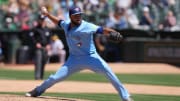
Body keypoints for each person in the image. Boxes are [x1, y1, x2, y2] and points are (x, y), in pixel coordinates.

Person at [25, 6, 133, 101]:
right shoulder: (66, 25)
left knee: (109, 72)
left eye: (80, 15)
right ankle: (37, 91)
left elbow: (102, 30)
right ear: (71, 16)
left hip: (91, 57)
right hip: (74, 59)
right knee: (55, 78)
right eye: (76, 15)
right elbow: (58, 21)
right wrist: (48, 14)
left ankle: (125, 97)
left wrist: (113, 32)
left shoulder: (87, 26)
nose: (78, 17)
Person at [31, 15, 52, 80]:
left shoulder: (47, 29)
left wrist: (49, 44)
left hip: (45, 48)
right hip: (38, 48)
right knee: (38, 62)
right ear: (39, 20)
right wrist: (36, 43)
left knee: (43, 62)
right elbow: (32, 38)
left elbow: (49, 38)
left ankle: (41, 77)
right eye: (41, 20)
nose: (42, 21)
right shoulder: (35, 29)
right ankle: (37, 77)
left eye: (43, 20)